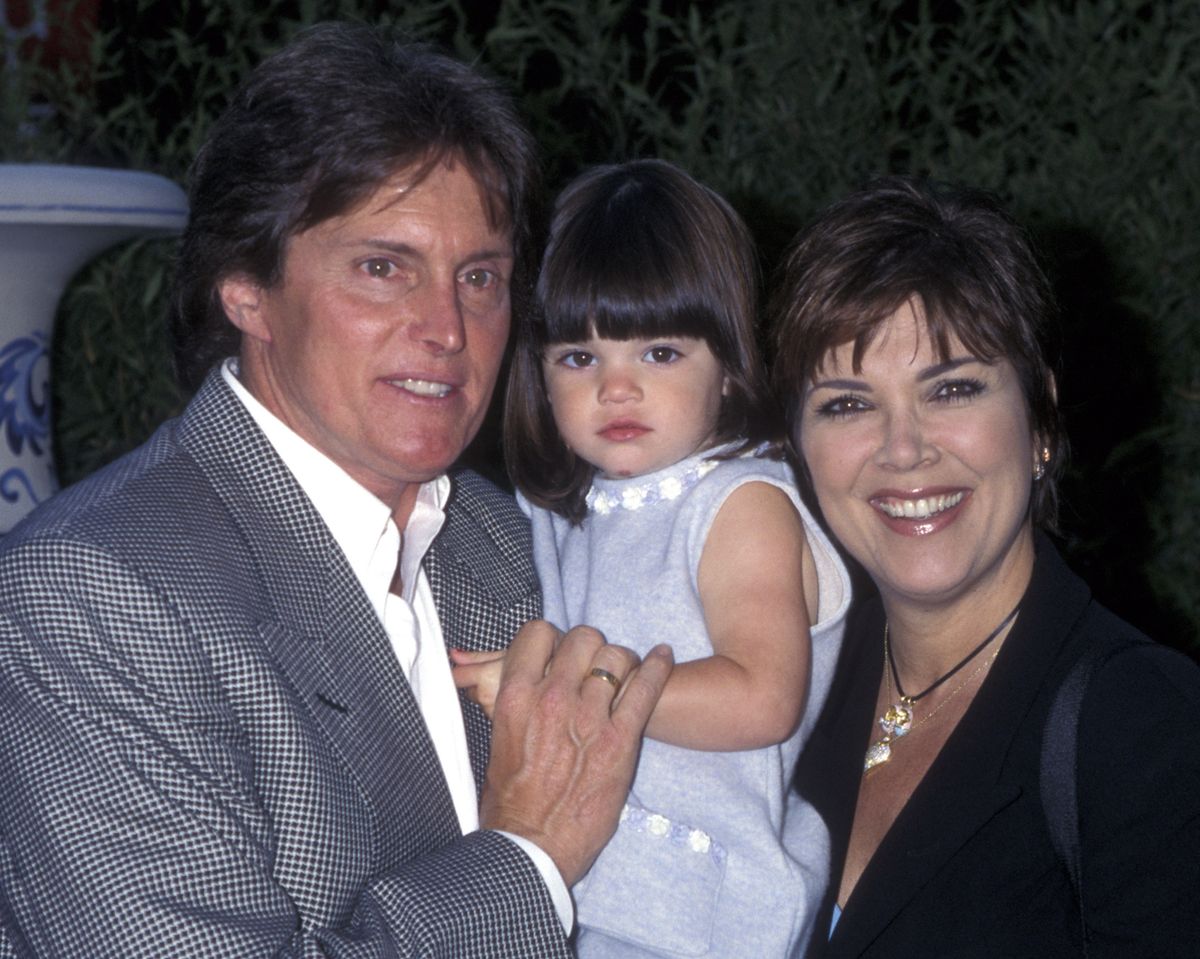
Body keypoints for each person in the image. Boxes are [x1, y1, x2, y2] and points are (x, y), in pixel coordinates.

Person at [0, 23, 673, 958]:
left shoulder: (495, 533)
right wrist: (526, 859)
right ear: (246, 287)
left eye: (479, 276)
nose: (447, 327)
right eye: (383, 268)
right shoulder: (90, 593)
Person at [771, 174, 1200, 957]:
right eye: (847, 403)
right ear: (797, 445)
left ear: (1040, 416)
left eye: (953, 389)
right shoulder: (785, 685)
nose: (903, 450)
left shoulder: (1145, 727)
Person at [452, 159, 851, 957]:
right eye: (580, 358)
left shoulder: (739, 503)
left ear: (730, 366)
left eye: (660, 354)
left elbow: (762, 697)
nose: (618, 388)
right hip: (586, 891)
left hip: (699, 916)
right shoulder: (571, 512)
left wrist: (560, 687)